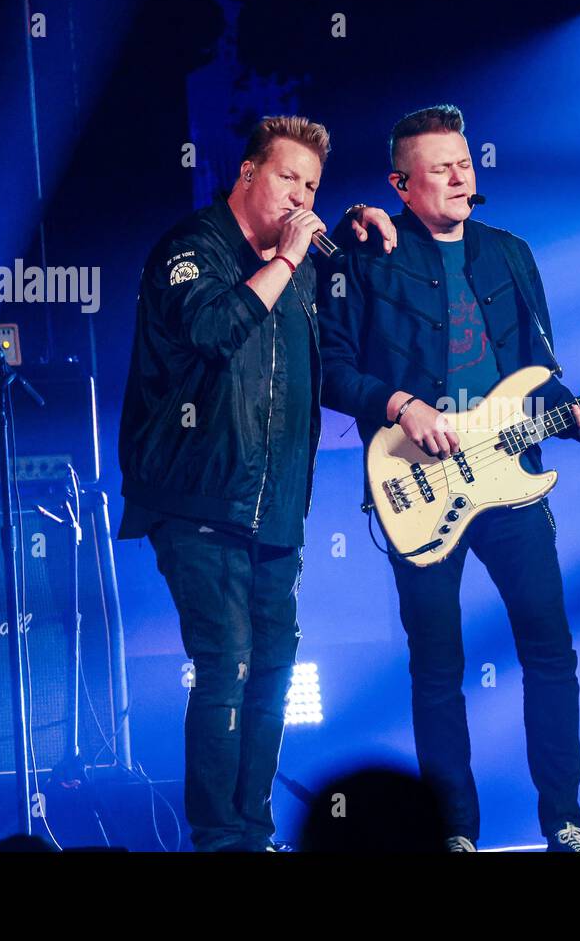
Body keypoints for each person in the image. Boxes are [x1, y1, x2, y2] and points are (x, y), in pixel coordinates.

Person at [318, 104, 580, 852]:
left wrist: (578, 416)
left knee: (551, 651)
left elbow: (542, 376)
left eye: (464, 162)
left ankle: (567, 822)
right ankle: (453, 835)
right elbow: (329, 368)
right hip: (416, 485)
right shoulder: (366, 256)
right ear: (402, 184)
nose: (459, 176)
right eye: (440, 167)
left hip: (511, 478)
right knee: (437, 665)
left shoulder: (508, 253)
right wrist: (399, 403)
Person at [118, 115, 393, 851]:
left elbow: (342, 348)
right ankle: (217, 838)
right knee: (226, 662)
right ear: (247, 175)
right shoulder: (191, 249)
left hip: (274, 507)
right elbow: (212, 330)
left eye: (312, 185)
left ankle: (254, 830)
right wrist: (287, 259)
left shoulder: (299, 266)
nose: (301, 196)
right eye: (287, 178)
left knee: (273, 669)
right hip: (197, 497)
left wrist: (364, 235)